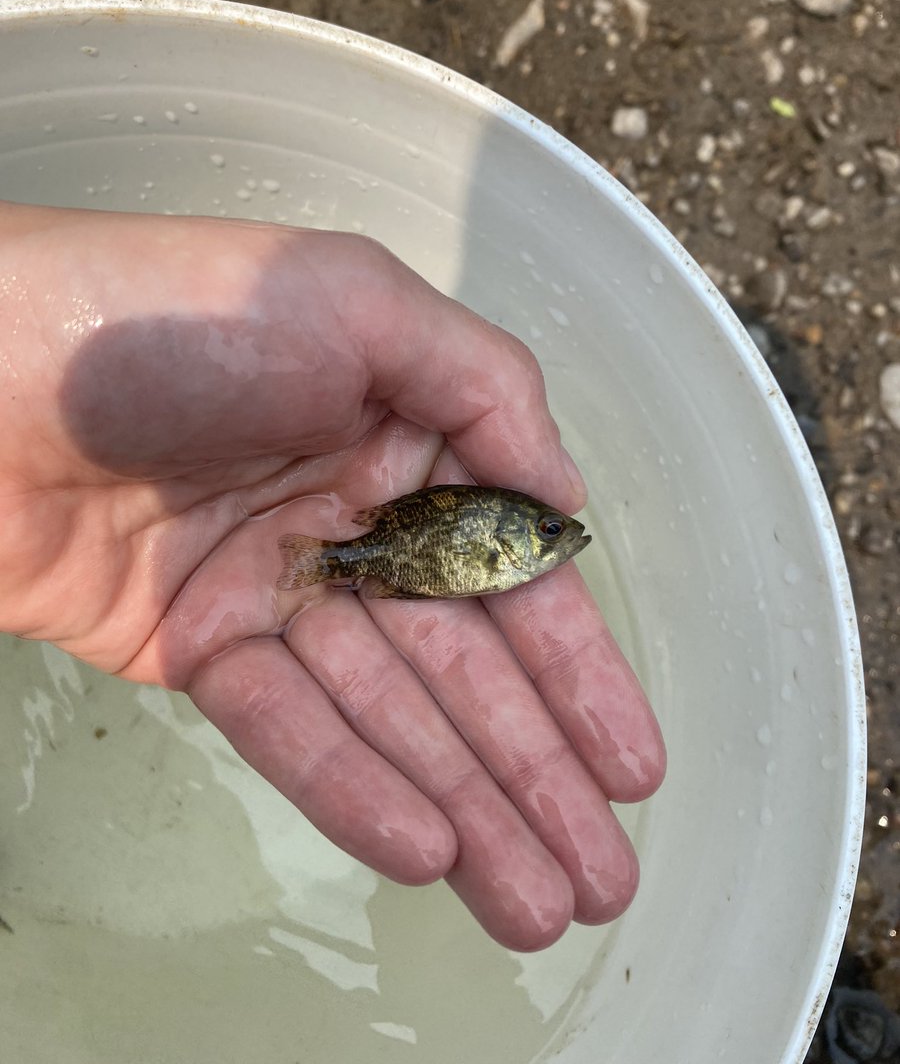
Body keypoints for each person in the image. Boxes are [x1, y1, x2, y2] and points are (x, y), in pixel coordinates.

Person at [0, 200, 665, 952]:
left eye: (550, 532)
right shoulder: (481, 539)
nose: (562, 535)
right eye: (547, 532)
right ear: (514, 540)